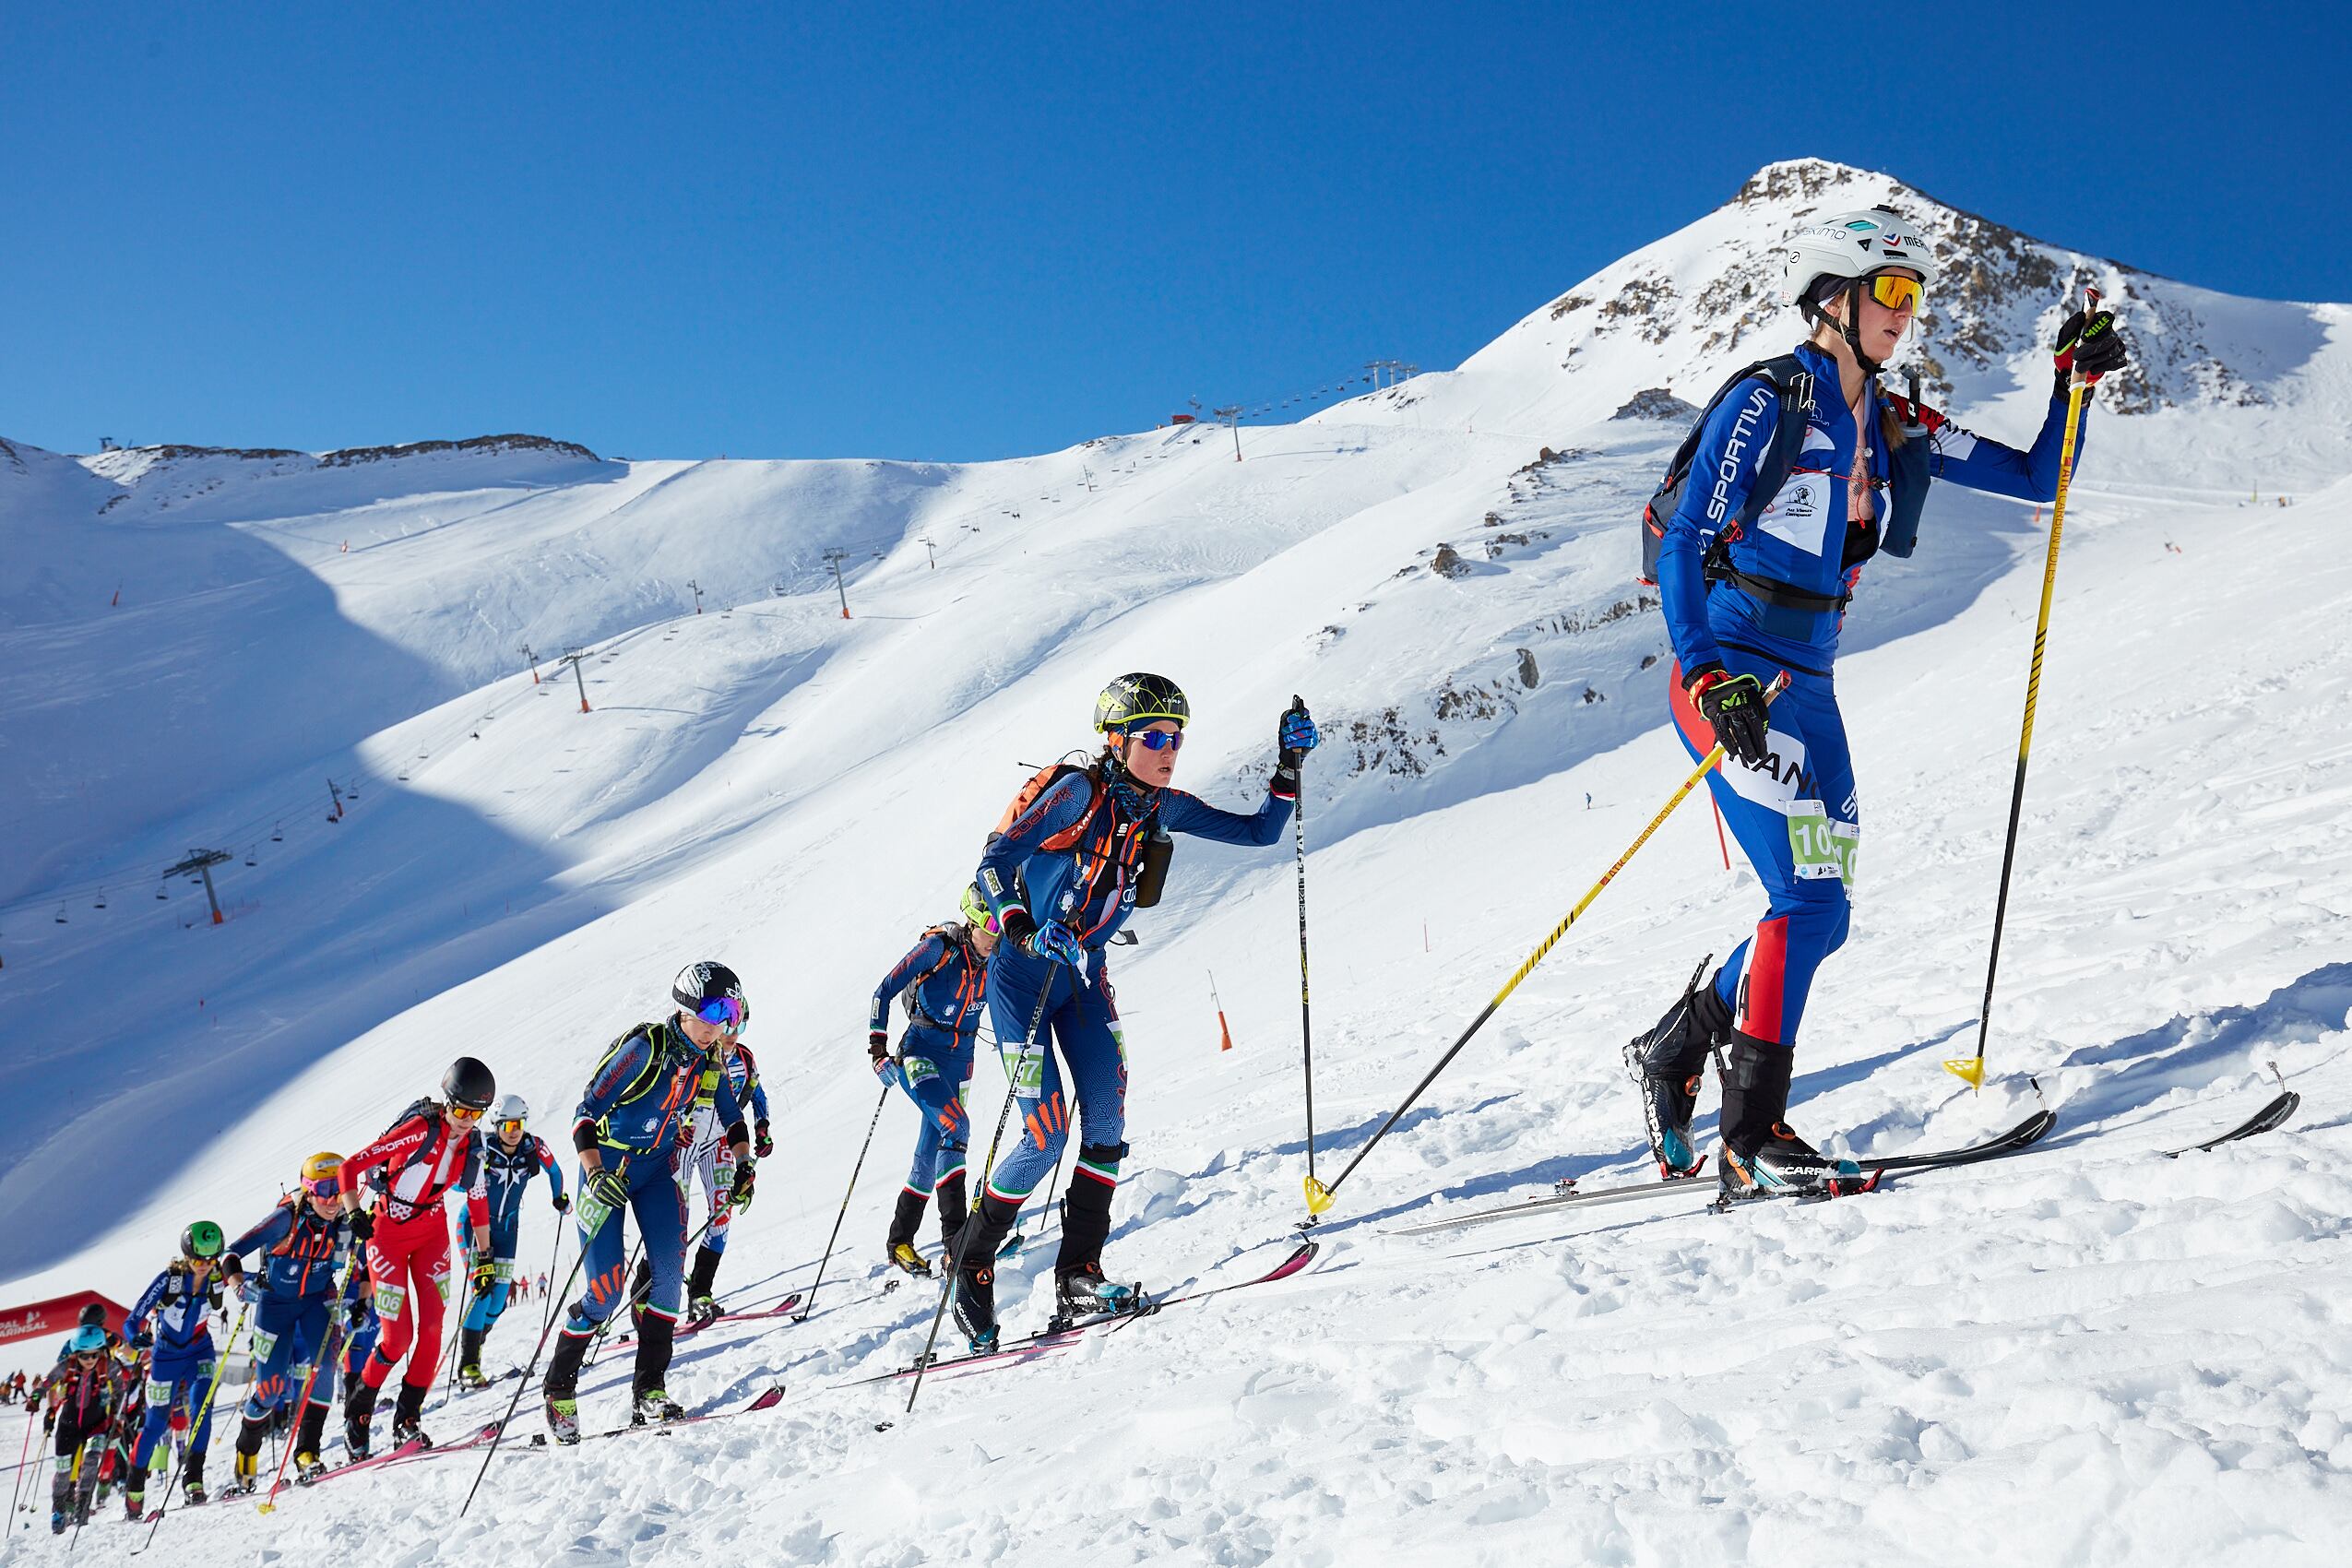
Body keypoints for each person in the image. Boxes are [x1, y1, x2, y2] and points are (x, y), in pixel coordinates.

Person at [1631, 206, 2127, 1198]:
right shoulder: (1768, 403)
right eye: (1890, 292)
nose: (1907, 312)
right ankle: (1751, 1137)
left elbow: (2040, 474)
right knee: (1805, 903)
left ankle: (1677, 1044)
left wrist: (2072, 388)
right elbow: (1684, 540)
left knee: (1827, 913)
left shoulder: (1894, 419)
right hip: (1732, 672)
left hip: (1810, 684)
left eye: (1916, 295)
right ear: (1833, 298)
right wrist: (1703, 672)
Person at [952, 674, 1317, 1349]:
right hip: (1020, 973)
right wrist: (1020, 924)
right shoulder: (1076, 795)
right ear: (1116, 740)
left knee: (1109, 1120)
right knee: (1043, 1138)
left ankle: (1079, 1275)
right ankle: (969, 1263)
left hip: (1083, 977)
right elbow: (996, 857)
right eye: (1153, 736)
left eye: (1176, 737)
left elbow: (1262, 832)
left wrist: (1288, 766)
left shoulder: (1159, 807)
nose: (1169, 748)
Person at [540, 963, 756, 1442]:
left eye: (730, 1015)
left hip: (657, 1173)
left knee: (667, 1282)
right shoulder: (645, 1048)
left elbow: (731, 1116)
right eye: (714, 1013)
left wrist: (744, 1163)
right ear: (686, 1009)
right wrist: (594, 1172)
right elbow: (584, 1114)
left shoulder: (708, 1060)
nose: (720, 1026)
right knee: (605, 1294)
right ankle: (558, 1386)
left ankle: (649, 1391)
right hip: (609, 1174)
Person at [335, 1058, 495, 1455]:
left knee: (434, 1330)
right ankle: (358, 1414)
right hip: (386, 1232)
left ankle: (408, 1418)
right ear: (447, 1102)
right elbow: (349, 1168)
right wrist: (354, 1211)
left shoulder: (473, 1147)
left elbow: (477, 1201)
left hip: (431, 1232)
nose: (465, 1121)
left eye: (475, 1114)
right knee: (397, 1336)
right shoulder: (419, 1130)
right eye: (460, 1110)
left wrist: (486, 1257)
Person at [868, 888, 998, 1276]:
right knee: (956, 1126)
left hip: (961, 1060)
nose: (996, 935)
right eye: (989, 925)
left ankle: (900, 1241)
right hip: (920, 1051)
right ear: (971, 921)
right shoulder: (937, 950)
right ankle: (956, 1239)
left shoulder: (997, 959)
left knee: (931, 1152)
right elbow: (882, 991)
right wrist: (878, 1051)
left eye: (1001, 926)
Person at [217, 1152, 354, 1493]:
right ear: (308, 1191)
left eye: (338, 1190)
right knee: (270, 1389)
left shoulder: (346, 1219)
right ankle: (247, 1453)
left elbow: (361, 1255)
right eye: (324, 1191)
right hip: (275, 1305)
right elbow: (230, 1253)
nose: (332, 1200)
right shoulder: (285, 1220)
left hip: (316, 1300)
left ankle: (308, 1452)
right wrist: (237, 1285)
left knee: (324, 1368)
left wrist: (362, 1297)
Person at [646, 1010, 769, 1324]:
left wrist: (762, 1127)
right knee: (674, 1222)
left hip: (719, 1143)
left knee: (722, 1215)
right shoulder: (696, 1054)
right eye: (726, 1025)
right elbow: (669, 1095)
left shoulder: (745, 1059)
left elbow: (757, 1093)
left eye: (739, 1026)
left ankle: (700, 1292)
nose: (732, 1033)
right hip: (685, 1144)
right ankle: (646, 1294)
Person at [455, 1096, 567, 1388]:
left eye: (519, 1124)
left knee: (499, 1300)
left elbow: (554, 1170)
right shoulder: (483, 1148)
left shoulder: (532, 1147)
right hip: (473, 1226)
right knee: (481, 1291)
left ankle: (478, 1339)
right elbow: (455, 1180)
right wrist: (466, 1177)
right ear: (497, 1125)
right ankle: (468, 1364)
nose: (514, 1130)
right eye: (508, 1125)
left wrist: (559, 1198)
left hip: (506, 1230)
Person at [120, 1222, 229, 1515]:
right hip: (165, 1356)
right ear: (187, 1256)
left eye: (210, 1259)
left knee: (201, 1407)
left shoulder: (216, 1277)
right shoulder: (170, 1280)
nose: (205, 1266)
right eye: (198, 1259)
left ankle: (193, 1479)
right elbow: (132, 1320)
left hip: (200, 1351)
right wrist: (135, 1337)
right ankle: (135, 1488)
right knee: (155, 1425)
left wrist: (259, 1281)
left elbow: (242, 1273)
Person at [40, 1324, 121, 1533]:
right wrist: (35, 1399)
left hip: (97, 1425)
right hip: (68, 1425)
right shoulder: (67, 1366)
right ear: (77, 1353)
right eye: (85, 1356)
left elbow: (121, 1389)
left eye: (94, 1354)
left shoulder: (108, 1367)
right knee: (64, 1471)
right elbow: (46, 1383)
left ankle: (82, 1506)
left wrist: (115, 1415)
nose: (90, 1360)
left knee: (92, 1460)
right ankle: (58, 1510)